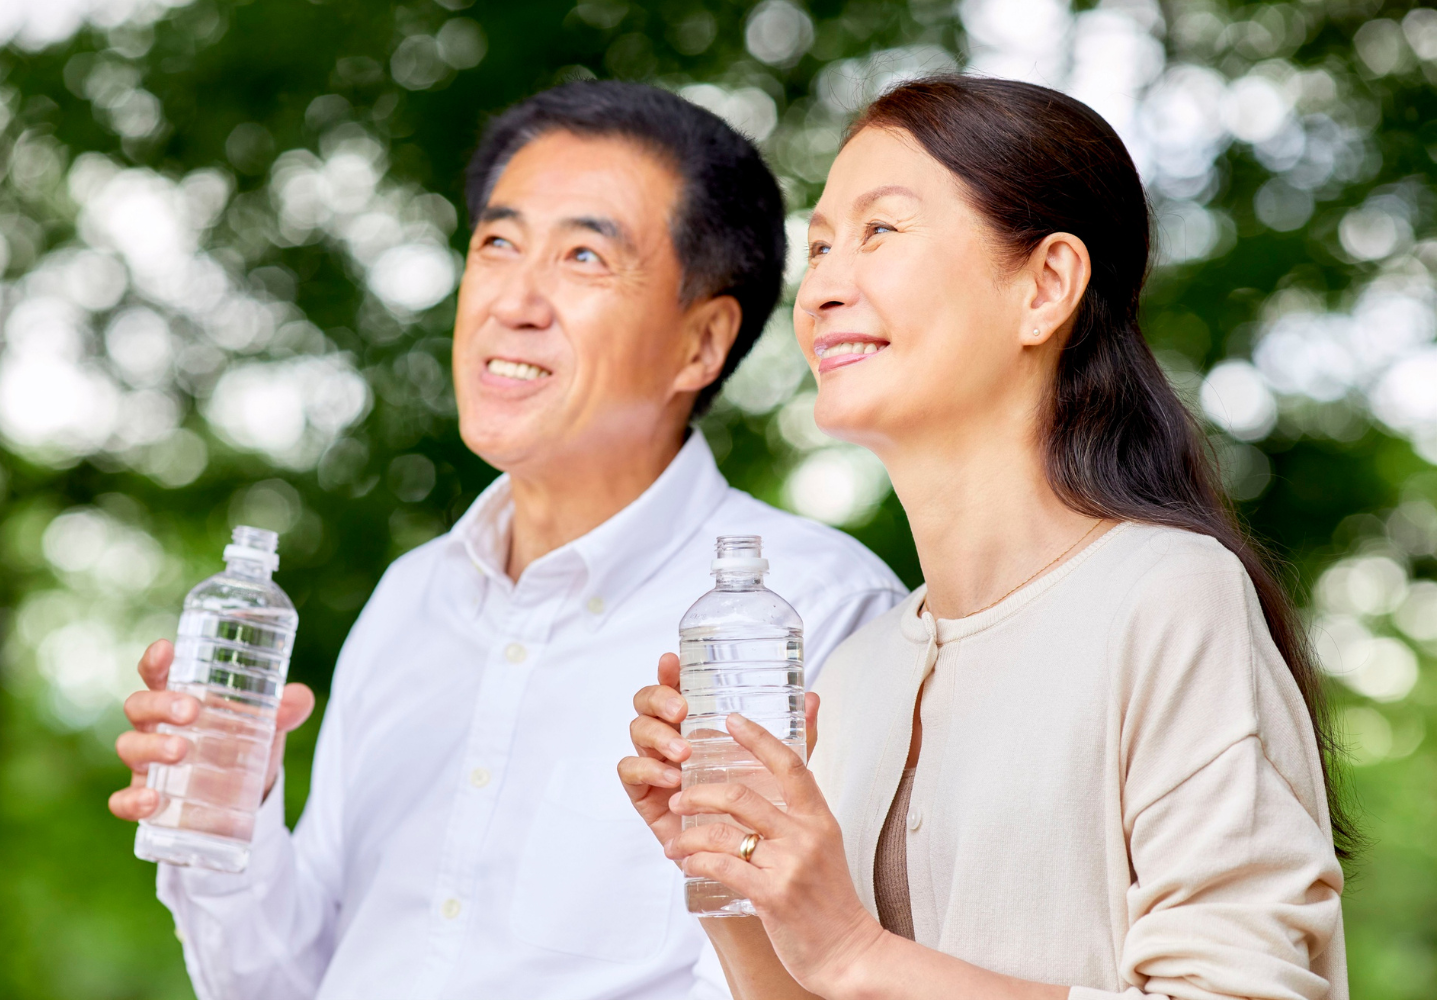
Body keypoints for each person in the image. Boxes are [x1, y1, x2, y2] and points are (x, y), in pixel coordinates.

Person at [107, 81, 906, 1000]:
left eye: (582, 257)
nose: (513, 300)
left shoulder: (811, 610)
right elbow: (288, 982)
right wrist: (227, 816)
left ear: (702, 343)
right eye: (496, 243)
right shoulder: (411, 596)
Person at [621, 75, 1350, 1000]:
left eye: (880, 230)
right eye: (819, 246)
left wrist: (853, 950)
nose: (824, 289)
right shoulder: (857, 673)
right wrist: (734, 872)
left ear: (1045, 286)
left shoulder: (1169, 599)